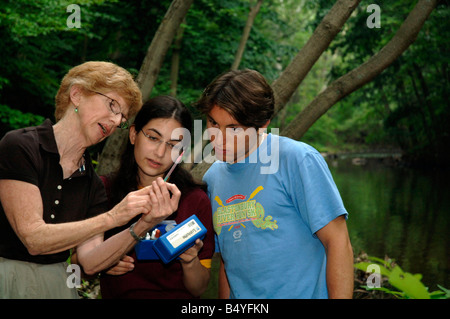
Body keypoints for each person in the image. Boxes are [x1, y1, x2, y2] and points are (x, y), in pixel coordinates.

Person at [0, 61, 180, 299]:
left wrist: (145, 223)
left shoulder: (93, 184)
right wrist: (113, 217)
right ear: (77, 94)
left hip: (56, 286)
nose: (116, 121)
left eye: (123, 117)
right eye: (112, 105)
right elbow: (33, 239)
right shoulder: (21, 146)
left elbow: (91, 263)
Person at [195, 69, 354, 299]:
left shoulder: (297, 159)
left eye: (233, 128)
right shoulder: (213, 178)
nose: (218, 137)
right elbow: (229, 263)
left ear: (262, 125)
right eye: (212, 123)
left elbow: (338, 242)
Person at [97, 95, 214, 299]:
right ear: (133, 134)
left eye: (173, 145)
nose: (160, 152)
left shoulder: (195, 200)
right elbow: (79, 262)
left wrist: (190, 261)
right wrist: (101, 262)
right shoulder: (103, 190)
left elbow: (199, 288)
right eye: (153, 137)